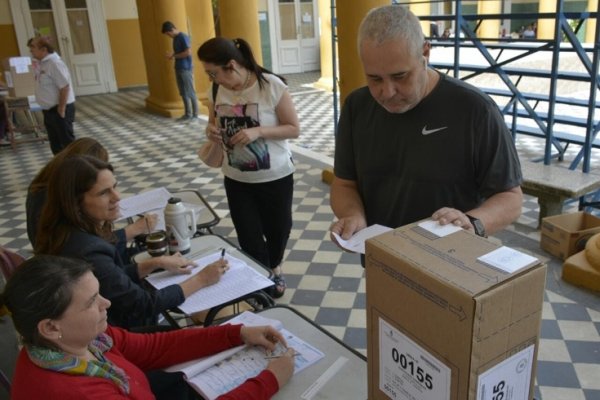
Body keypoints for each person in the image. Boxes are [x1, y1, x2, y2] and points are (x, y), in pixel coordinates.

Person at [330, 6, 522, 253]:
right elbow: (344, 184)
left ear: (425, 52)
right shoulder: (357, 107)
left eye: (400, 76)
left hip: (453, 263)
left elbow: (511, 198)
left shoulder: (475, 110)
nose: (387, 92)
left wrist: (472, 222)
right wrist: (353, 215)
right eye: (374, 79)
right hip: (383, 260)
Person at [1, 255, 295, 400]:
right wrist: (269, 380)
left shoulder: (81, 341)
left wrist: (237, 333)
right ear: (51, 327)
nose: (107, 304)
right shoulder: (77, 393)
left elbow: (155, 347)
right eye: (91, 302)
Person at [34, 155, 228, 329]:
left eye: (115, 187)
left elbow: (109, 282)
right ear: (75, 203)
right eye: (103, 193)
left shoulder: (66, 231)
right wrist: (201, 279)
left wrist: (153, 264)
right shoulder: (88, 249)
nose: (117, 197)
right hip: (123, 332)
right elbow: (141, 304)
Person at [197, 37, 300, 298]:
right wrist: (211, 132)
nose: (212, 78)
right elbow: (212, 123)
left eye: (214, 72)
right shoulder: (215, 90)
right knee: (248, 236)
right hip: (236, 178)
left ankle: (274, 265)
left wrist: (259, 132)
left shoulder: (271, 86)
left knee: (278, 230)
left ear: (231, 65)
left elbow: (293, 128)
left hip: (275, 176)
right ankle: (263, 278)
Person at [26, 137, 157, 249]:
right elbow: (89, 246)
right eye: (103, 192)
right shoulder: (54, 201)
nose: (117, 197)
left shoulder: (43, 187)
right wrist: (134, 229)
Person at [28, 36, 76, 154]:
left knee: (67, 143)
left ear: (44, 50)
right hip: (48, 109)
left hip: (59, 109)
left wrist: (61, 108)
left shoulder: (54, 63)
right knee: (55, 143)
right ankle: (59, 168)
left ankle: (76, 167)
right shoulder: (41, 63)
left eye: (33, 48)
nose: (31, 51)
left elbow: (64, 87)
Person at [161, 21, 199, 121]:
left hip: (186, 68)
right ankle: (187, 114)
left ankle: (195, 115)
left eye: (168, 34)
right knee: (183, 92)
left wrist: (173, 56)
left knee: (190, 92)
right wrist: (172, 55)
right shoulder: (175, 38)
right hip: (178, 68)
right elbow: (178, 52)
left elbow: (188, 52)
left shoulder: (183, 37)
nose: (169, 36)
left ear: (172, 29)